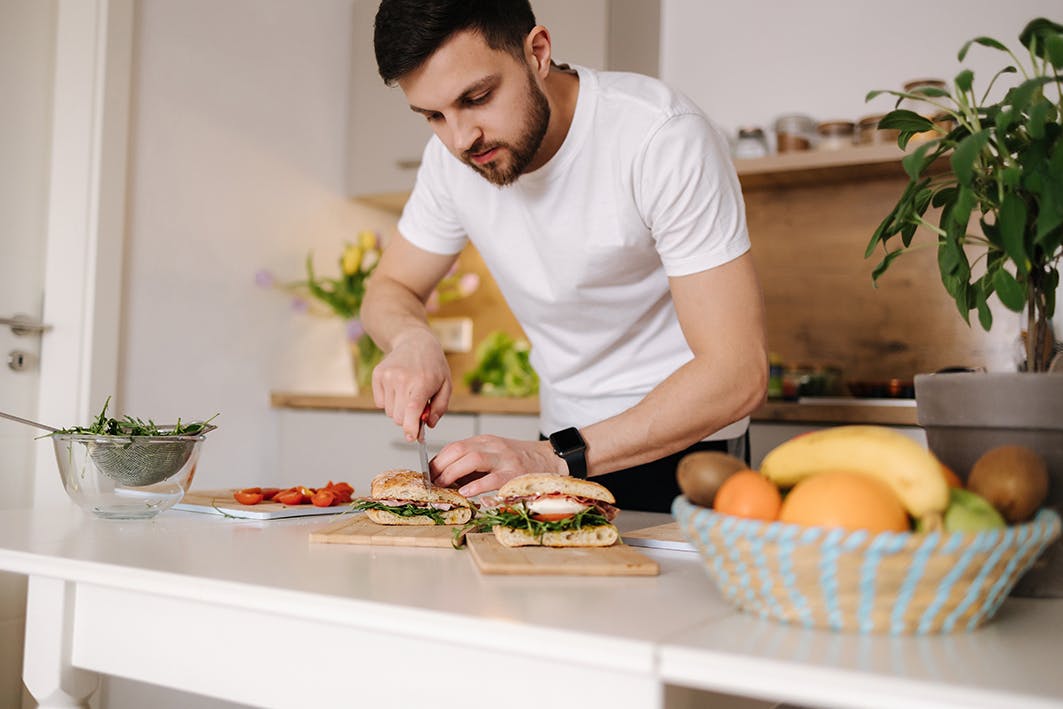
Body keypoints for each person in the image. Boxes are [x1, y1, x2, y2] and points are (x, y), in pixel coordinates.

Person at [361, 0, 767, 512]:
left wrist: (554, 457)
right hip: (557, 452)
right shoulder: (450, 164)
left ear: (537, 52)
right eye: (433, 116)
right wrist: (411, 338)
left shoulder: (659, 135)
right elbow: (390, 288)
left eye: (478, 97)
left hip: (691, 451)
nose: (461, 138)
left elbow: (737, 372)